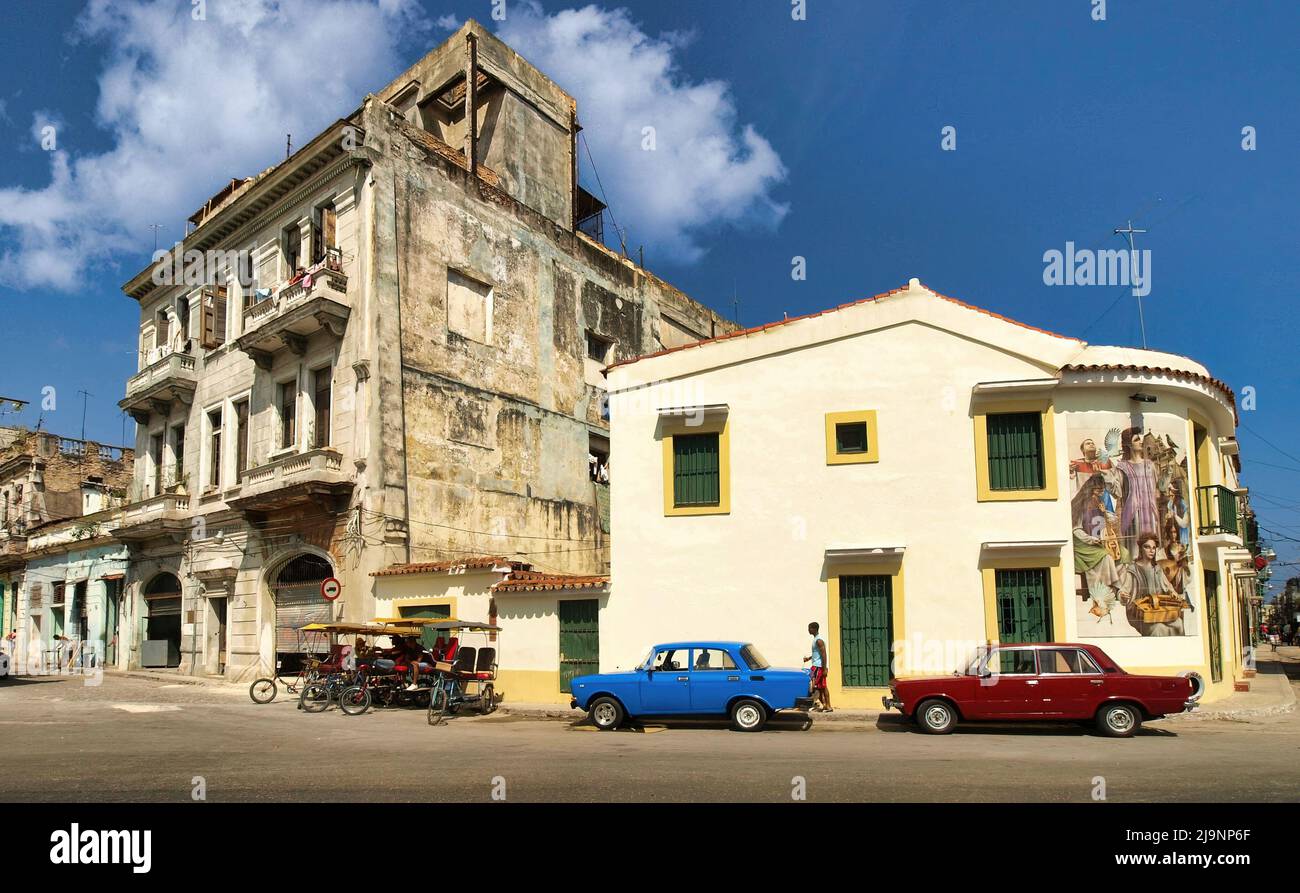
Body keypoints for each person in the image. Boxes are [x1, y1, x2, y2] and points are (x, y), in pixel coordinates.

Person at [802, 622, 832, 713]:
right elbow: (817, 654)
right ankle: (827, 706)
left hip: (818, 667)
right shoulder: (816, 639)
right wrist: (809, 658)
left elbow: (824, 654)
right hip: (816, 666)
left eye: (809, 628)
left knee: (815, 687)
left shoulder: (819, 640)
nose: (808, 630)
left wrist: (824, 669)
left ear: (814, 629)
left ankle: (825, 705)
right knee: (821, 687)